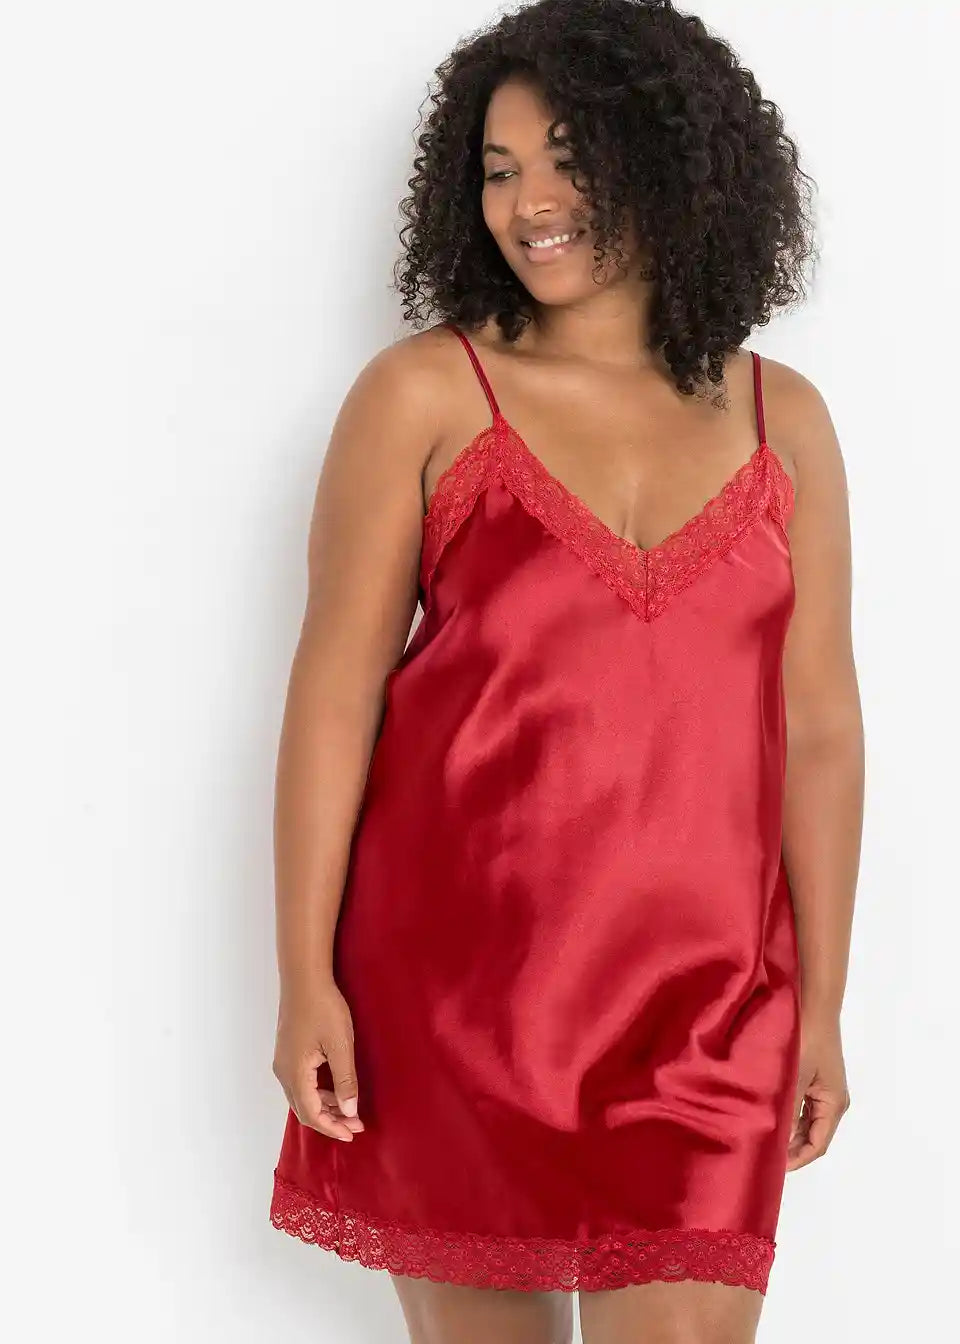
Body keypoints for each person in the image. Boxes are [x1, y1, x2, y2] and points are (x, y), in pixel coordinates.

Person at [268, 1, 863, 1340]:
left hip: (710, 1010)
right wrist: (306, 975)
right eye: (498, 168)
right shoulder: (425, 394)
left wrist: (820, 1003)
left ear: (673, 162)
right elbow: (333, 697)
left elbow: (821, 725)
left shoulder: (786, 421)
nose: (527, 202)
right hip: (457, 995)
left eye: (568, 160)